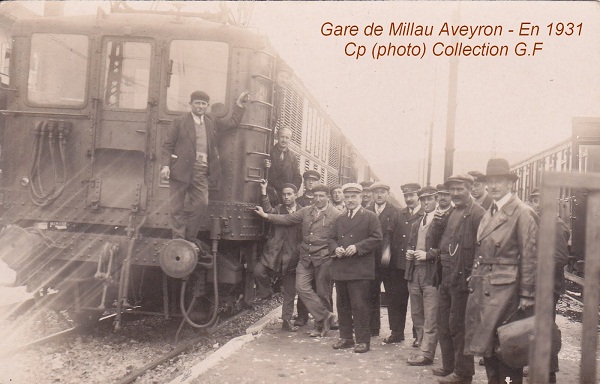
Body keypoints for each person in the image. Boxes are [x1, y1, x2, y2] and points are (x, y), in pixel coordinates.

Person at [464, 158, 538, 384]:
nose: (493, 186)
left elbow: (531, 255)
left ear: (510, 184)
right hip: (486, 287)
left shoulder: (522, 212)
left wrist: (526, 293)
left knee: (507, 347)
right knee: (489, 348)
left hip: (508, 290)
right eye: (490, 182)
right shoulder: (491, 211)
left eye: (499, 181)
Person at [161, 90, 249, 241]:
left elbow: (232, 123)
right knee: (176, 207)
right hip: (180, 170)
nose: (200, 106)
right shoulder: (179, 121)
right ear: (190, 104)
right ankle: (178, 239)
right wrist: (165, 166)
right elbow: (167, 145)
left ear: (207, 106)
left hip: (200, 171)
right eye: (197, 103)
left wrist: (239, 105)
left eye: (203, 104)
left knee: (201, 204)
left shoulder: (210, 122)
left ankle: (188, 239)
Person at [255, 184, 340, 337]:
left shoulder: (336, 214)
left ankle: (319, 326)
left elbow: (340, 236)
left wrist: (336, 251)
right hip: (305, 257)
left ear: (328, 197)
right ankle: (326, 316)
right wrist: (266, 215)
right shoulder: (306, 211)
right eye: (315, 196)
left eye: (322, 196)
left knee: (322, 292)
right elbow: (286, 218)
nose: (318, 199)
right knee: (300, 287)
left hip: (324, 259)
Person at [434, 174, 486, 384]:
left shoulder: (477, 214)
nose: (455, 194)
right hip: (446, 275)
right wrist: (437, 224)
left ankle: (463, 374)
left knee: (459, 326)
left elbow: (481, 248)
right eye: (452, 190)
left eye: (460, 189)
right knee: (443, 324)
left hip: (463, 278)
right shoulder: (452, 211)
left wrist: (473, 275)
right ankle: (450, 367)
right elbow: (440, 241)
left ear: (470, 188)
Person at [329, 183, 382, 353]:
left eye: (354, 197)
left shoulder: (370, 216)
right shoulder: (340, 218)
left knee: (360, 305)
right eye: (347, 197)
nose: (350, 200)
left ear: (360, 198)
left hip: (360, 269)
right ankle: (346, 338)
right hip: (342, 267)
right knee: (342, 304)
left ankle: (362, 340)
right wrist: (335, 248)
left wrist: (357, 247)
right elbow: (331, 238)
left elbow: (377, 238)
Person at [529, 187, 569, 384]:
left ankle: (549, 372)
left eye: (540, 200)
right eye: (534, 200)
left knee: (547, 328)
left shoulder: (556, 224)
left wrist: (538, 264)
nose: (537, 204)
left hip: (549, 286)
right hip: (538, 285)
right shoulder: (539, 222)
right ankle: (538, 366)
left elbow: (561, 257)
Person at [253, 180, 303, 332]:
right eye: (284, 194)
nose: (286, 197)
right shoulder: (279, 209)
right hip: (274, 253)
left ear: (295, 195)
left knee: (289, 290)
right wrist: (263, 191)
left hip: (292, 256)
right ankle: (266, 293)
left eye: (289, 194)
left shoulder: (302, 211)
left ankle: (286, 321)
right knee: (258, 271)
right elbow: (267, 209)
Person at [405, 185, 442, 366]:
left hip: (432, 273)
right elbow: (412, 243)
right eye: (423, 200)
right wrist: (409, 252)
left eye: (429, 199)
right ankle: (421, 345)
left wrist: (428, 255)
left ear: (436, 200)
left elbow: (446, 249)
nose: (426, 202)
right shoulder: (416, 222)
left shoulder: (442, 221)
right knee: (417, 313)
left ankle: (427, 353)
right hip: (414, 272)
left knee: (431, 315)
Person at [386, 182, 423, 346]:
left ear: (418, 197)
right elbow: (388, 233)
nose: (409, 199)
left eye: (412, 195)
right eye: (406, 196)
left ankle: (418, 335)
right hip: (398, 265)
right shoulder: (398, 214)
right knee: (396, 300)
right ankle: (397, 332)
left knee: (417, 301)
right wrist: (386, 250)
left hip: (416, 265)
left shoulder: (424, 214)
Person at [366, 182, 399, 337]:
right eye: (376, 192)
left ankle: (396, 331)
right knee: (371, 293)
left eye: (382, 192)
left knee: (392, 295)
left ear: (388, 193)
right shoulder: (366, 211)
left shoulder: (395, 212)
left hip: (389, 261)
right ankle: (373, 328)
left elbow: (394, 235)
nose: (379, 195)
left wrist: (388, 250)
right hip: (370, 260)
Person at [264, 127, 302, 205]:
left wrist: (291, 191)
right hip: (269, 195)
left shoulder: (293, 157)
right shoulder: (268, 151)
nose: (284, 140)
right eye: (282, 137)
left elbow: (297, 177)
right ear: (277, 137)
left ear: (290, 139)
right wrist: (264, 165)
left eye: (287, 138)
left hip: (285, 198)